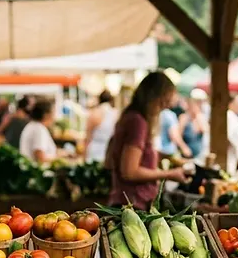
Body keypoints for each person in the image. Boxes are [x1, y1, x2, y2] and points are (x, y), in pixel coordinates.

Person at [105, 72, 187, 210]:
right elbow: (130, 171)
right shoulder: (138, 122)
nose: (163, 108)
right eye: (162, 103)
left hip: (128, 201)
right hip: (133, 203)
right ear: (154, 98)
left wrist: (169, 158)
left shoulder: (130, 117)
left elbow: (132, 155)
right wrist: (169, 174)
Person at [84, 90, 118, 162]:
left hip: (94, 150)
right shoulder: (116, 113)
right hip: (109, 151)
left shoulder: (95, 113)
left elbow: (87, 137)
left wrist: (84, 155)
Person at [176, 88, 208, 160]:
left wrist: (197, 114)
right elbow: (177, 135)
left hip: (199, 156)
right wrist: (184, 147)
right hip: (186, 157)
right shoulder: (184, 117)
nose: (200, 105)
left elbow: (205, 129)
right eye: (197, 102)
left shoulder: (200, 117)